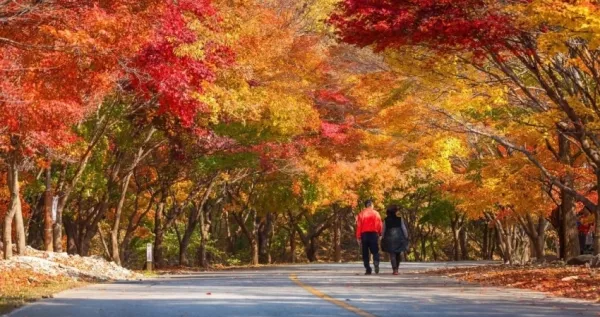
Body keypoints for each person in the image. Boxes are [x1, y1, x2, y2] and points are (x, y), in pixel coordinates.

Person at [356, 199, 382, 275]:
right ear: (371, 205)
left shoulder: (361, 214)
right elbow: (380, 224)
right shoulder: (376, 213)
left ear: (366, 205)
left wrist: (358, 237)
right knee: (375, 251)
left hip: (364, 235)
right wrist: (380, 233)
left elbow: (359, 226)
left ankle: (368, 269)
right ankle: (376, 262)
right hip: (373, 234)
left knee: (365, 252)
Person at [381, 205, 409, 275]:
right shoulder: (399, 219)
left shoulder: (386, 220)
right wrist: (406, 236)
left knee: (392, 254)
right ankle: (397, 268)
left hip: (389, 238)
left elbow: (383, 230)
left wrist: (382, 237)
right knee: (398, 253)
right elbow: (404, 229)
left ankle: (395, 269)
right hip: (399, 238)